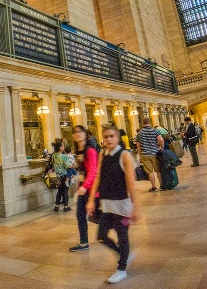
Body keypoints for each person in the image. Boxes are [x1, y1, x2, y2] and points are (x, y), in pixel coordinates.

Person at [87, 125, 139, 284]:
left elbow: (130, 182)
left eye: (112, 136)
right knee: (101, 235)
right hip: (107, 204)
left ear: (117, 138)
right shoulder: (103, 154)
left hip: (122, 204)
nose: (109, 139)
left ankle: (121, 269)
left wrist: (135, 206)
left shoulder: (124, 155)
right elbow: (97, 178)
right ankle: (124, 255)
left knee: (122, 237)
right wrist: (91, 200)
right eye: (106, 137)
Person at [69, 124, 98, 252]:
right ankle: (83, 243)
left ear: (85, 134)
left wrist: (85, 186)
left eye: (80, 131)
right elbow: (84, 172)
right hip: (83, 189)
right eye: (75, 132)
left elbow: (93, 171)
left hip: (93, 189)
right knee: (80, 215)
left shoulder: (90, 150)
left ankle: (121, 232)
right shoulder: (78, 152)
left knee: (99, 216)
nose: (77, 134)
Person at [136, 116, 163, 191]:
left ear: (142, 123)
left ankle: (154, 187)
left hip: (145, 154)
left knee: (149, 171)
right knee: (158, 170)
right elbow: (161, 140)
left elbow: (138, 146)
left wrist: (140, 155)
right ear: (149, 122)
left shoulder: (139, 133)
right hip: (155, 153)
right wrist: (162, 148)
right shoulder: (154, 130)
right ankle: (161, 186)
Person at [52, 140, 70, 212]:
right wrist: (73, 165)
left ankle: (57, 206)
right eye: (63, 145)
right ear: (60, 147)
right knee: (65, 191)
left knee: (59, 191)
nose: (64, 147)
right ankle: (66, 206)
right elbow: (67, 166)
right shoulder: (64, 156)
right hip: (64, 176)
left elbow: (53, 165)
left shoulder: (53, 155)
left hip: (57, 177)